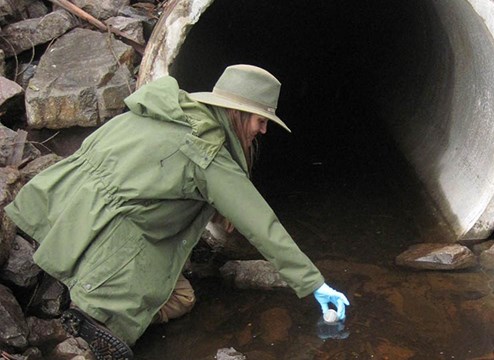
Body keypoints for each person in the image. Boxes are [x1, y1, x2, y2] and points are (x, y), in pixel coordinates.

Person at [5, 64, 350, 360]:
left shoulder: (169, 109)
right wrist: (313, 283)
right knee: (182, 298)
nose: (264, 130)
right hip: (114, 235)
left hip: (60, 207)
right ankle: (90, 315)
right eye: (261, 120)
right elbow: (263, 225)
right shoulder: (206, 152)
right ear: (238, 112)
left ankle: (63, 277)